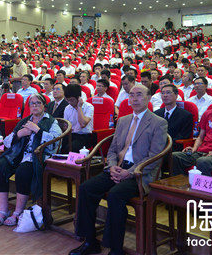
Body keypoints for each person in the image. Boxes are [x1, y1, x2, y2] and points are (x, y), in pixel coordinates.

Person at [70, 85, 167, 255]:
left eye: (139, 95)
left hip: (140, 173)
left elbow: (154, 157)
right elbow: (113, 149)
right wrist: (112, 166)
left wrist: (130, 172)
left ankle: (115, 249)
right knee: (86, 188)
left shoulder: (158, 123)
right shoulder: (123, 120)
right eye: (132, 95)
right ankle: (90, 241)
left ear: (148, 98)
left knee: (115, 195)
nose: (135, 98)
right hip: (117, 168)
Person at [0, 93, 62, 226]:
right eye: (32, 103)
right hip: (19, 154)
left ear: (44, 106)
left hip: (38, 157)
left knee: (22, 172)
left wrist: (38, 130)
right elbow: (7, 142)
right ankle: (3, 210)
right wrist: (20, 134)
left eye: (38, 103)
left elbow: (55, 143)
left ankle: (17, 212)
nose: (35, 106)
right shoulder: (24, 122)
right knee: (0, 166)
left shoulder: (51, 122)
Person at [154, 84, 193, 149]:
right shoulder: (156, 114)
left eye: (168, 92)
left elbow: (183, 137)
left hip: (173, 147)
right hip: (155, 147)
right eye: (163, 93)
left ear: (176, 96)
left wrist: (163, 144)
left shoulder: (186, 116)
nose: (165, 95)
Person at [63, 84, 94, 152]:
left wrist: (79, 107)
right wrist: (65, 128)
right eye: (67, 100)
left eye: (72, 100)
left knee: (70, 148)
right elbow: (66, 125)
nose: (69, 102)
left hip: (84, 136)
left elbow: (82, 124)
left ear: (79, 98)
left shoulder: (89, 107)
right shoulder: (67, 108)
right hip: (71, 135)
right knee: (58, 144)